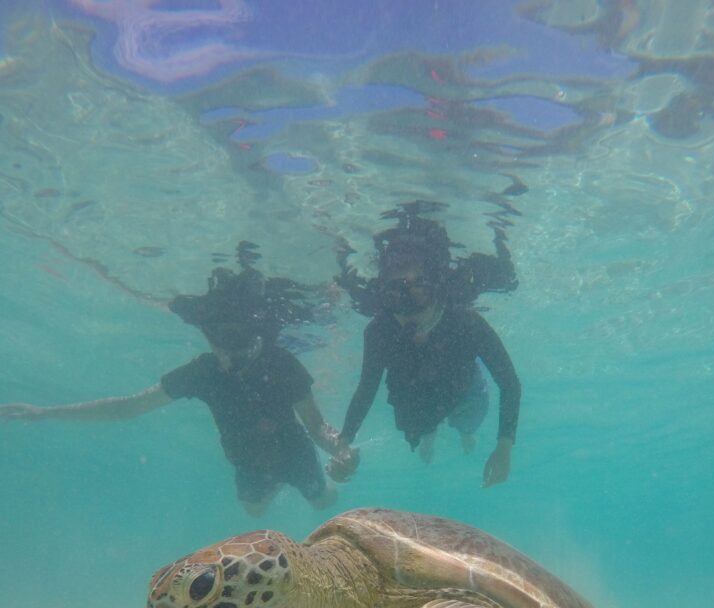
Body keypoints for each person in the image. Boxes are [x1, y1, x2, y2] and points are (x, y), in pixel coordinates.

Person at [0, 258, 355, 516]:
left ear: (256, 333)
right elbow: (128, 407)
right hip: (247, 461)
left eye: (238, 340)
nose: (228, 353)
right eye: (218, 340)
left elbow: (315, 426)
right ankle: (274, 485)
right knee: (254, 513)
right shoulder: (203, 371)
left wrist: (343, 452)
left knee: (322, 503)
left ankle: (321, 490)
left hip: (292, 452)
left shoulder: (281, 363)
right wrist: (46, 413)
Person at [329, 208, 521, 487]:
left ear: (435, 293)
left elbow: (509, 382)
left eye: (417, 298)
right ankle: (429, 433)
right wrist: (344, 442)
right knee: (415, 425)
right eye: (395, 299)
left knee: (467, 423)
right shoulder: (380, 330)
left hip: (464, 389)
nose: (407, 318)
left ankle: (464, 433)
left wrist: (504, 448)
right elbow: (366, 389)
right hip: (414, 392)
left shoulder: (466, 322)